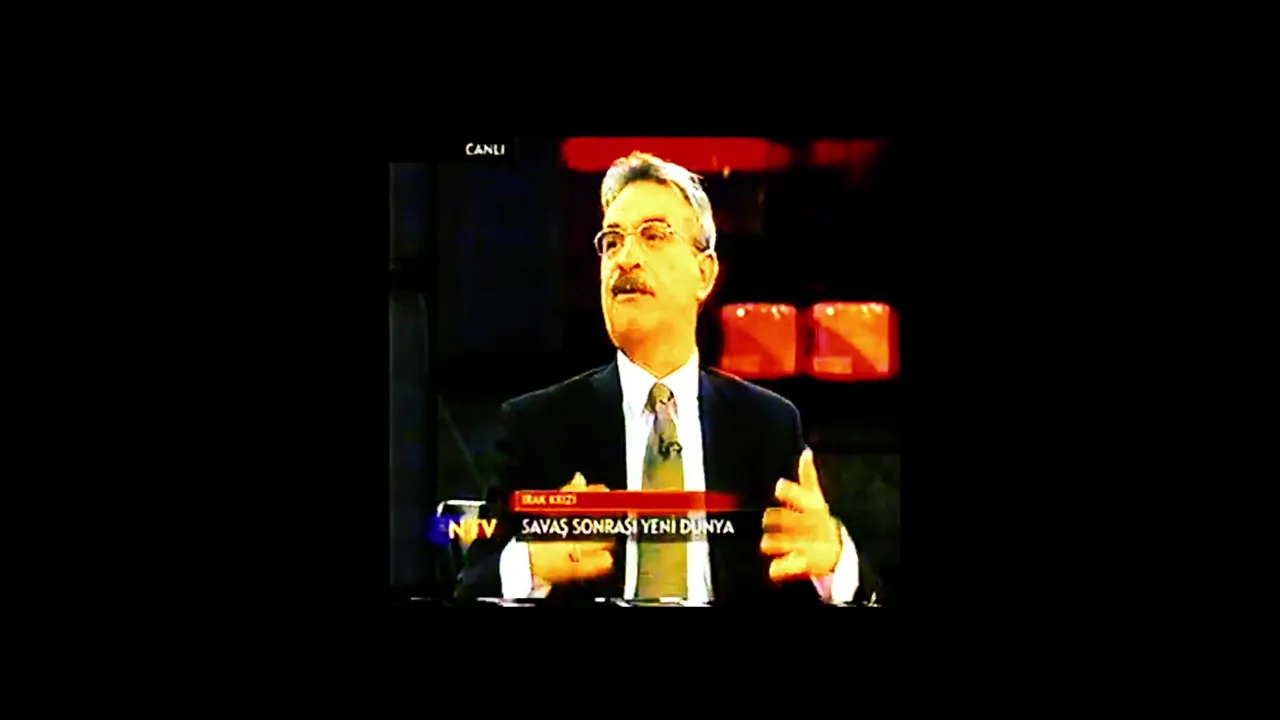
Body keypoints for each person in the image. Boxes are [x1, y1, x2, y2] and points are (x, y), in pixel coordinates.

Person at [457, 151, 863, 604]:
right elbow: (472, 586)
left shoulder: (767, 424)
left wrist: (835, 563)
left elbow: (824, 572)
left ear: (704, 274)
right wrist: (534, 561)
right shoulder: (537, 425)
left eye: (653, 236)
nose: (625, 258)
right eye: (612, 241)